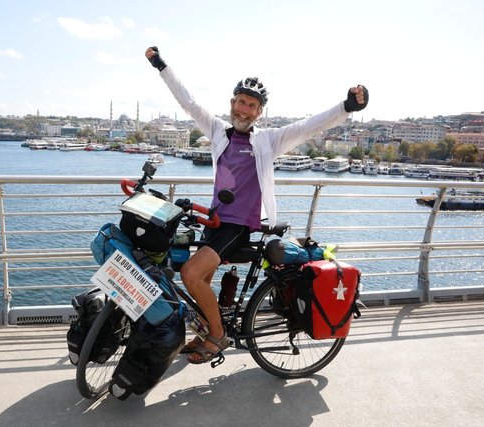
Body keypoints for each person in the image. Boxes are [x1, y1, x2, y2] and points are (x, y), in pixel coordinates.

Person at [144, 46, 368, 364]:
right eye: (241, 102)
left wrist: (347, 106)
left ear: (259, 112)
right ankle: (208, 328)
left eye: (252, 105)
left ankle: (217, 335)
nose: (245, 109)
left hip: (239, 225)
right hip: (215, 219)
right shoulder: (218, 131)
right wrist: (161, 66)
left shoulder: (268, 140)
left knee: (191, 274)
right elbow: (188, 102)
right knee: (201, 280)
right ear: (232, 103)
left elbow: (308, 126)